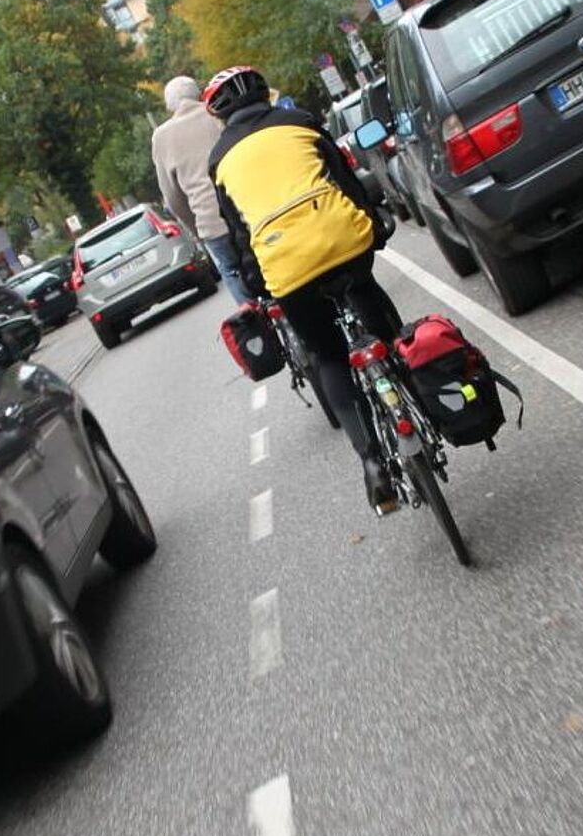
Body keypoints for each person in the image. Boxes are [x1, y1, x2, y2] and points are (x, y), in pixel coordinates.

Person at [203, 64, 403, 514]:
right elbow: (346, 181)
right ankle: (412, 393)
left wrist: (253, 281)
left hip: (285, 266)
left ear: (219, 115)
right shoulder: (300, 122)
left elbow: (238, 232)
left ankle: (373, 465)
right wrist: (374, 221)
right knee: (369, 299)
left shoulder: (220, 160)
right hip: (342, 237)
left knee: (329, 356)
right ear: (264, 94)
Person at [151, 75, 250, 305]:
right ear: (199, 95)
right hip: (247, 209)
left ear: (169, 106)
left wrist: (198, 229)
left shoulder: (161, 138)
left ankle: (254, 325)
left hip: (211, 224)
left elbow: (173, 198)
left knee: (232, 272)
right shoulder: (217, 114)